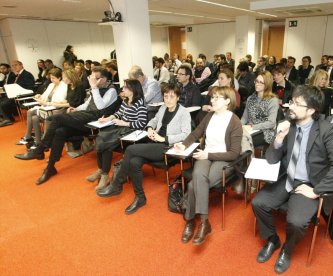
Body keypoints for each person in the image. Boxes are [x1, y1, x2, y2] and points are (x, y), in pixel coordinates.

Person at [252, 85, 333, 274]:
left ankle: (287, 250)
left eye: (297, 104)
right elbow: (272, 159)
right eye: (292, 101)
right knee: (258, 203)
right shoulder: (288, 123)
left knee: (296, 222)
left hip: (309, 184)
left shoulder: (326, 130)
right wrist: (279, 138)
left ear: (311, 110)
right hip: (286, 178)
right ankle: (272, 239)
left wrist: (316, 190)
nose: (291, 106)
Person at [15, 67, 120, 185]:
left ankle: (40, 149)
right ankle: (50, 167)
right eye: (92, 78)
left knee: (56, 118)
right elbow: (87, 103)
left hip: (96, 121)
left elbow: (100, 106)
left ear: (104, 79)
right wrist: (77, 109)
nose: (93, 80)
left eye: (96, 78)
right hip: (86, 116)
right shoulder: (96, 88)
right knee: (60, 131)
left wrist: (94, 87)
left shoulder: (112, 90)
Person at [97, 83, 191, 214]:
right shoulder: (163, 108)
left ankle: (117, 185)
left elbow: (186, 134)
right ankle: (140, 197)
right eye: (165, 96)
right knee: (134, 162)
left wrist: (164, 139)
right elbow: (152, 121)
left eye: (172, 96)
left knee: (130, 150)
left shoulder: (184, 112)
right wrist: (150, 128)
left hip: (168, 147)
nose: (168, 99)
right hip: (154, 143)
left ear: (177, 97)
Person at [175, 86, 242, 245]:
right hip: (207, 155)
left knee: (193, 185)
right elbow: (196, 133)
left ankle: (192, 220)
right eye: (212, 97)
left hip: (224, 159)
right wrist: (183, 145)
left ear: (227, 101)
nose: (212, 100)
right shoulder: (209, 116)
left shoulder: (234, 121)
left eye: (217, 97)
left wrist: (208, 154)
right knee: (198, 178)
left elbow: (234, 153)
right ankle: (203, 223)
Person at [87, 79, 147, 191]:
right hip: (120, 128)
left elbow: (141, 124)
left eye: (125, 87)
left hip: (130, 132)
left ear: (133, 90)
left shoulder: (140, 104)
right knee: (100, 138)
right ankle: (101, 171)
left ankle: (104, 175)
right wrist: (108, 118)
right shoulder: (126, 101)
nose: (123, 89)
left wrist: (124, 123)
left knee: (106, 144)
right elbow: (118, 113)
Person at [16, 68, 67, 147]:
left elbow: (60, 101)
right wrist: (39, 96)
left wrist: (46, 103)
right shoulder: (51, 85)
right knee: (34, 118)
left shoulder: (64, 86)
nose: (51, 80)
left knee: (30, 112)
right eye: (50, 78)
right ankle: (38, 141)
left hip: (56, 110)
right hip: (47, 108)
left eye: (53, 78)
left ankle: (29, 137)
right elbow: (44, 96)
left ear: (59, 78)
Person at [241, 71, 278, 146]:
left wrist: (252, 127)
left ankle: (248, 157)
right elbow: (244, 118)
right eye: (257, 81)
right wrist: (238, 126)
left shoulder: (272, 100)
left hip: (265, 131)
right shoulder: (250, 98)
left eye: (261, 82)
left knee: (243, 140)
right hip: (250, 128)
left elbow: (271, 123)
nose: (257, 84)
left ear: (267, 85)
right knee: (233, 136)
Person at [0, 60, 35, 127]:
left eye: (16, 65)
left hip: (23, 95)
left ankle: (8, 119)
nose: (14, 67)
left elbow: (30, 86)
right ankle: (7, 118)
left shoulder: (27, 74)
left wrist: (15, 87)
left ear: (21, 65)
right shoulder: (18, 75)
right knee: (2, 100)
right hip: (16, 94)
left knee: (4, 103)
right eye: (13, 66)